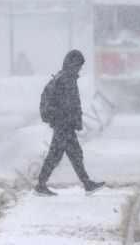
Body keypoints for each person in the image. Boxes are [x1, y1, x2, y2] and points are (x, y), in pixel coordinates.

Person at [35, 50, 105, 196]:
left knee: (65, 154)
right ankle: (85, 183)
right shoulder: (65, 79)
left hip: (64, 124)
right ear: (73, 64)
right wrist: (69, 120)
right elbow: (67, 104)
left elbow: (69, 103)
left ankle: (86, 183)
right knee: (65, 154)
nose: (80, 68)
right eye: (79, 65)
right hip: (63, 124)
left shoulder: (67, 77)